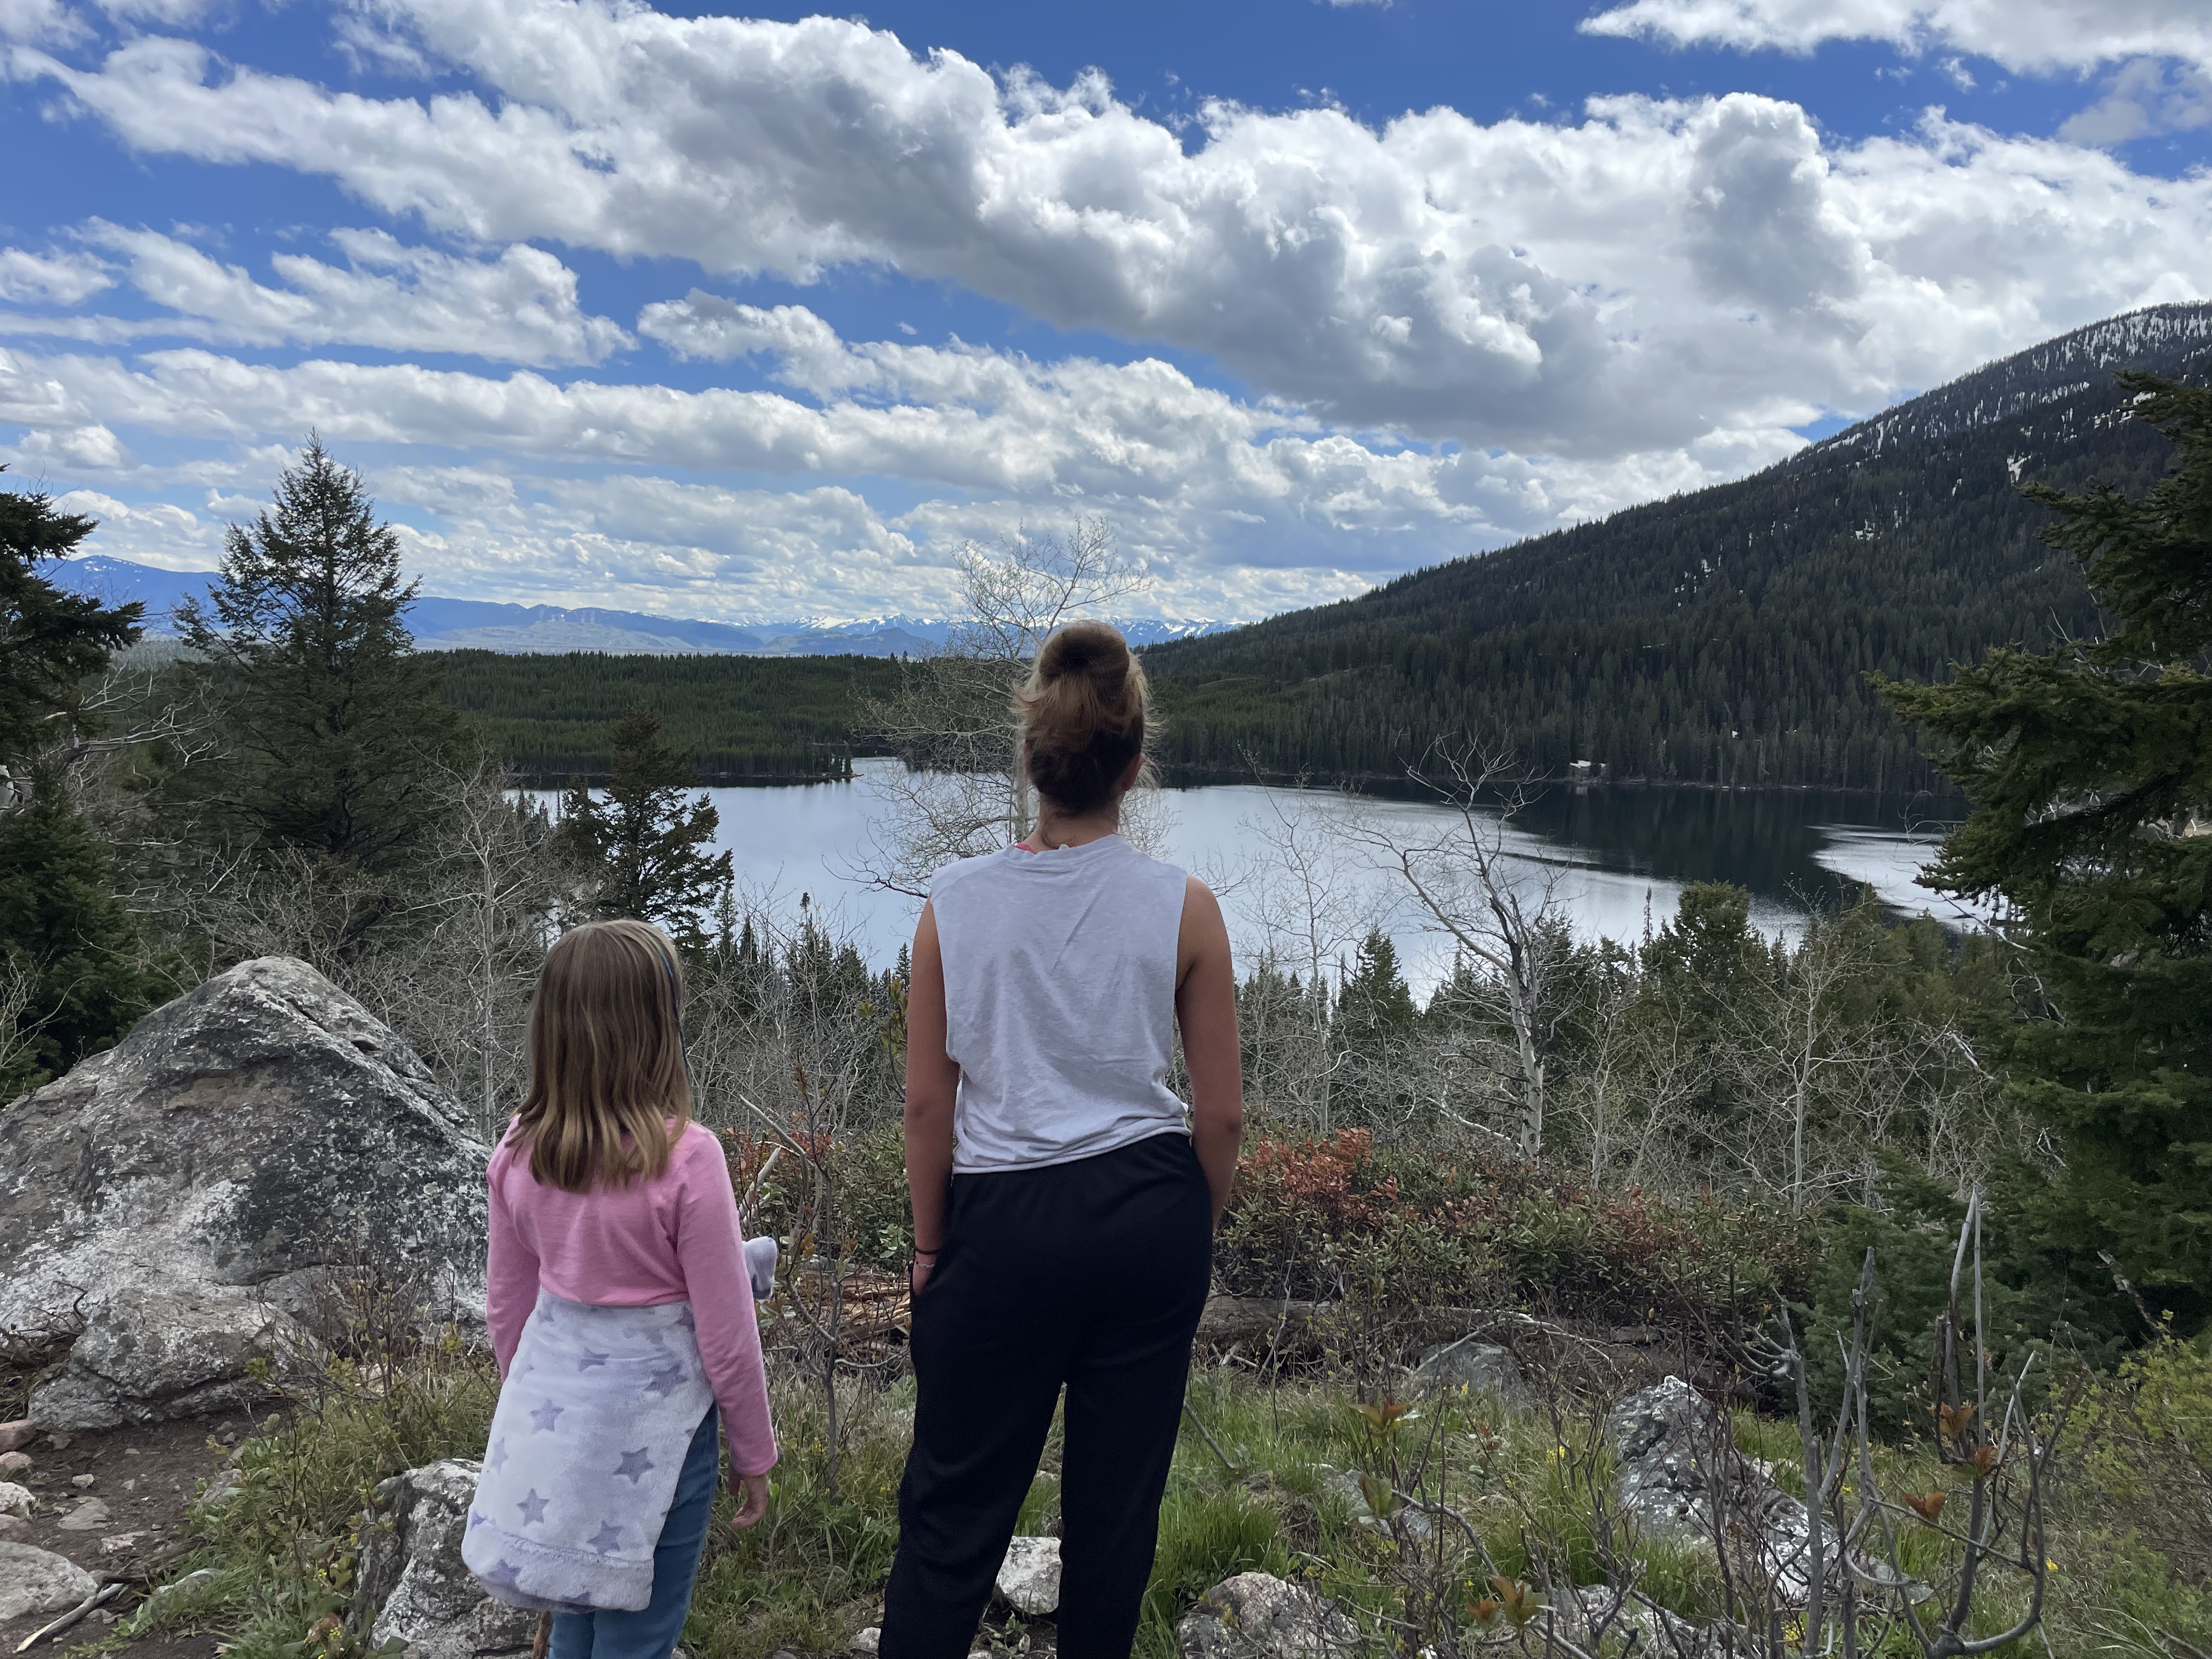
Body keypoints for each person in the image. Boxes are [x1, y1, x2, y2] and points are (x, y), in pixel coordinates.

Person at [880, 622, 1245, 1659]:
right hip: (1147, 1215)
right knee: (1115, 1522)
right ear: (1134, 768)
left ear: (1031, 763)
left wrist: (928, 1248)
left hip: (1001, 1228)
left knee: (951, 1519)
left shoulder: (954, 905)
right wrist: (1190, 1224)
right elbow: (1218, 1116)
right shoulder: (1188, 907)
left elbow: (927, 1108)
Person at [464, 918, 778, 1659]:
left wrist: (543, 1418)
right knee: (639, 1633)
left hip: (557, 1428)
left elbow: (508, 1308)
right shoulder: (687, 1158)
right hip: (660, 1436)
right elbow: (726, 1336)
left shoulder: (518, 1148)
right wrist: (753, 1453)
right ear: (658, 1028)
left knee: (575, 1606)